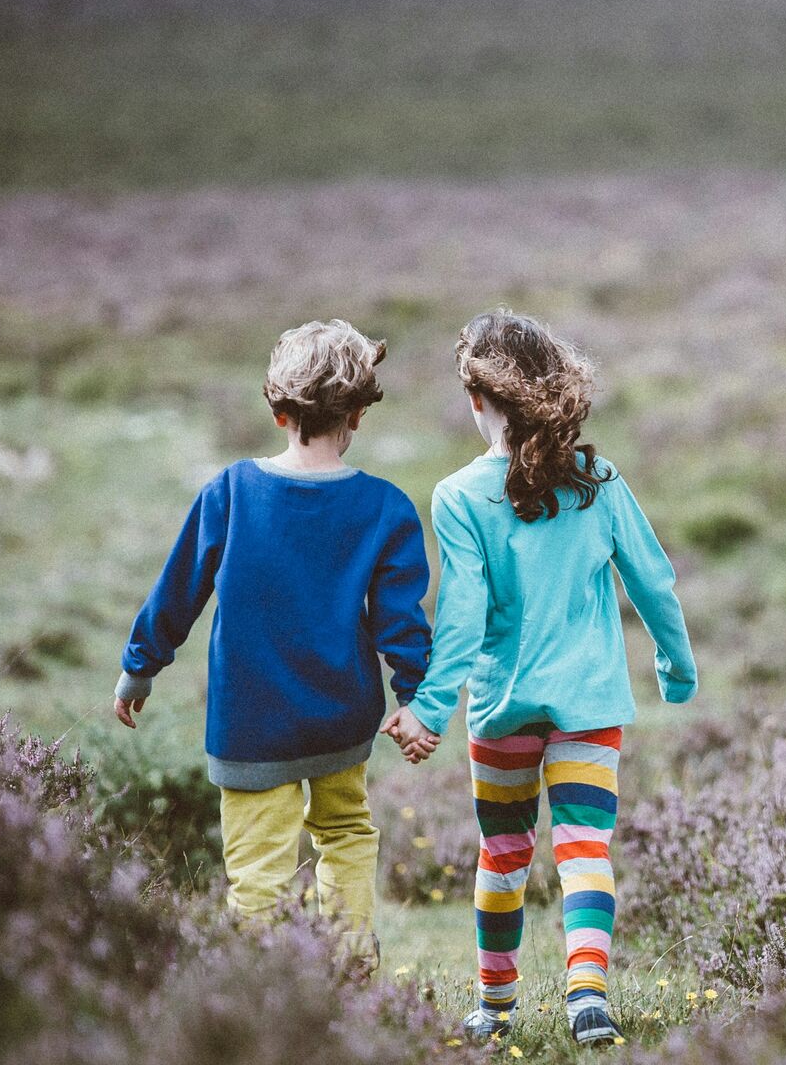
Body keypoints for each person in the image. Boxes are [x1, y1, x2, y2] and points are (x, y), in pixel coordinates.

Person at [390, 309, 696, 1047]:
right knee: (585, 846)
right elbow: (652, 580)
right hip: (590, 704)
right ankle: (588, 996)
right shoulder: (599, 479)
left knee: (504, 854)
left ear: (477, 401)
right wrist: (674, 664)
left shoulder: (459, 496)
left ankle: (493, 1010)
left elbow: (460, 617)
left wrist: (431, 709)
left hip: (500, 708)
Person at [113, 319, 431, 968]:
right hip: (344, 719)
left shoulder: (229, 493)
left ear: (277, 409)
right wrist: (415, 695)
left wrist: (139, 667)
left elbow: (178, 591)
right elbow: (403, 622)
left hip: (249, 723)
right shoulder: (386, 507)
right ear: (358, 416)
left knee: (257, 870)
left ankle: (265, 991)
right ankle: (349, 968)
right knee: (345, 833)